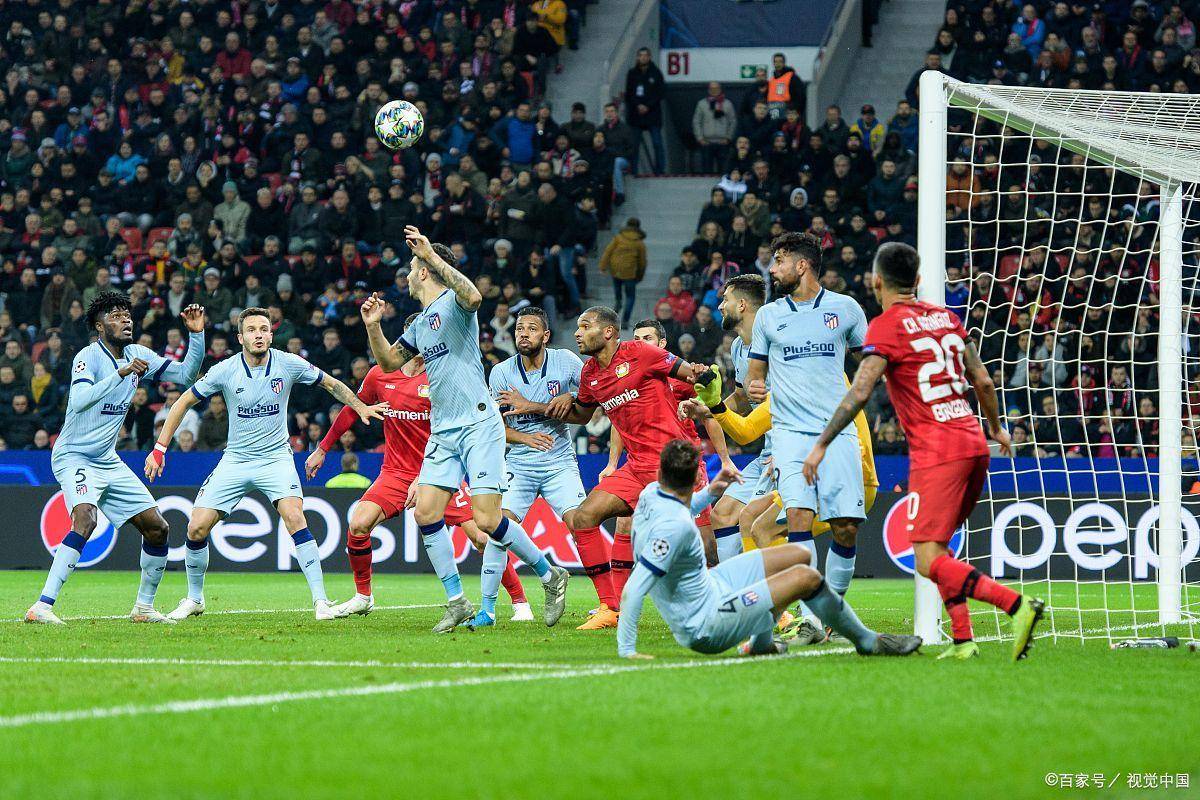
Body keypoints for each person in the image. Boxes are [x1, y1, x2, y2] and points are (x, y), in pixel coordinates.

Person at [801, 242, 1045, 661]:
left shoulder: (886, 325)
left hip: (938, 450)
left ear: (876, 282)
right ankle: (964, 640)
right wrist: (996, 428)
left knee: (927, 560)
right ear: (916, 280)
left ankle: (1016, 606)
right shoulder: (947, 318)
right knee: (940, 548)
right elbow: (983, 381)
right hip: (974, 443)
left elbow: (861, 390)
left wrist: (821, 443)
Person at [359, 225, 569, 633]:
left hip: (478, 423)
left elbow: (474, 296)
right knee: (425, 512)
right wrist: (373, 326)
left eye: (412, 267)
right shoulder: (420, 323)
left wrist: (430, 254)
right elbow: (387, 363)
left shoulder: (455, 305)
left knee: (487, 520)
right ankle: (457, 601)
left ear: (424, 270)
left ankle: (549, 574)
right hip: (444, 429)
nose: (408, 274)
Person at [146, 308, 387, 622]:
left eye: (263, 329)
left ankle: (321, 601)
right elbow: (183, 402)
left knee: (295, 517)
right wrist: (160, 448)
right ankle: (194, 599)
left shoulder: (288, 363)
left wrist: (360, 406)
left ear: (271, 335)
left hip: (276, 459)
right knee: (196, 527)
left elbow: (331, 384)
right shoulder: (225, 369)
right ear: (240, 338)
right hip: (236, 459)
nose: (258, 335)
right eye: (251, 330)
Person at [306, 314, 531, 623]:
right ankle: (363, 597)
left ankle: (520, 602)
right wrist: (322, 448)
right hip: (395, 473)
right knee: (358, 524)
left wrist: (425, 475)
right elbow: (353, 409)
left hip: (440, 470)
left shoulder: (442, 377)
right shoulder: (379, 375)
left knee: (481, 536)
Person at [616, 439, 921, 659]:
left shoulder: (651, 492)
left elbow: (681, 506)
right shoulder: (676, 529)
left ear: (661, 474)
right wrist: (628, 650)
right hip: (705, 624)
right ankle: (867, 641)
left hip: (713, 585)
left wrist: (711, 491)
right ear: (696, 475)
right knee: (806, 578)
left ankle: (761, 644)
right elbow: (633, 589)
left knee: (799, 556)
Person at [24, 294, 207, 625]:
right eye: (116, 316)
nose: (125, 321)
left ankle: (144, 608)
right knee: (85, 519)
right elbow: (79, 400)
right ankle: (42, 606)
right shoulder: (88, 357)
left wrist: (196, 335)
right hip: (74, 455)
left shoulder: (138, 354)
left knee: (157, 528)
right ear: (99, 326)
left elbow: (185, 375)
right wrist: (120, 374)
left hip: (107, 459)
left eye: (127, 316)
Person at [536, 306, 709, 601]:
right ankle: (609, 607)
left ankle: (722, 600)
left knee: (707, 549)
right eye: (577, 327)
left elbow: (692, 376)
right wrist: (542, 406)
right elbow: (582, 416)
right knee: (584, 517)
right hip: (636, 466)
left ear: (608, 332)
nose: (577, 333)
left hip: (673, 465)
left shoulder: (641, 352)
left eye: (585, 326)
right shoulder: (590, 373)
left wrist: (701, 375)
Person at [744, 232, 868, 599]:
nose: (772, 269)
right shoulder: (768, 316)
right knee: (798, 517)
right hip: (790, 434)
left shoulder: (846, 309)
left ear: (802, 265)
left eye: (779, 261)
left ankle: (834, 608)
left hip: (838, 432)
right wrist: (754, 386)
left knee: (845, 527)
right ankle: (810, 613)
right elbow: (755, 373)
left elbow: (870, 363)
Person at [487, 307, 617, 628]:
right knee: (497, 527)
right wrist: (524, 438)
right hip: (519, 462)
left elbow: (595, 390)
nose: (523, 334)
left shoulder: (566, 362)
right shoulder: (501, 372)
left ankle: (608, 603)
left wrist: (572, 394)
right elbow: (494, 428)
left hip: (559, 462)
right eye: (519, 328)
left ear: (545, 336)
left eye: (531, 329)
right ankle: (488, 610)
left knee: (579, 522)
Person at [624, 47, 666, 175]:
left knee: (657, 143)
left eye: (645, 55)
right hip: (636, 115)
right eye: (640, 55)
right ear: (637, 57)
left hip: (653, 114)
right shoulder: (632, 73)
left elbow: (660, 93)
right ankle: (634, 172)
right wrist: (638, 105)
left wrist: (647, 106)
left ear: (649, 57)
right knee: (634, 146)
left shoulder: (656, 73)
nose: (643, 58)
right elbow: (629, 94)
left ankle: (660, 171)